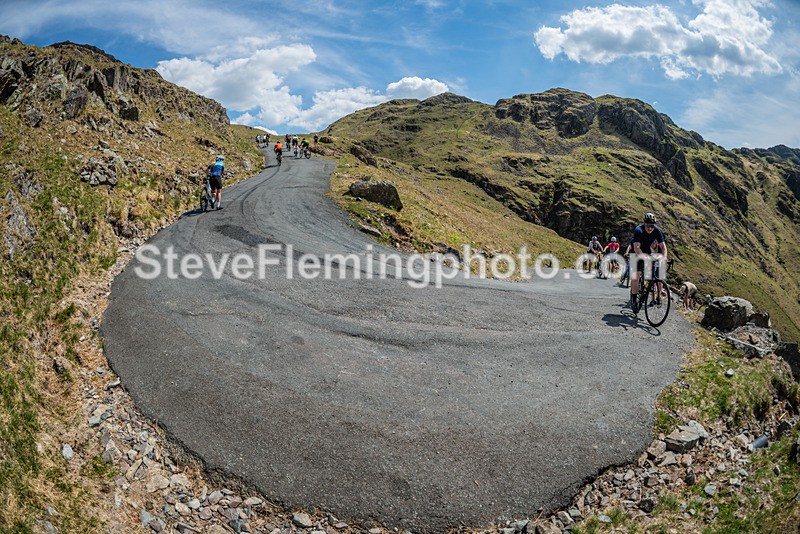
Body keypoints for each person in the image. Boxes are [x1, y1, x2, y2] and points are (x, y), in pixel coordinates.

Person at [630, 212, 668, 309]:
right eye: (648, 225)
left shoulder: (656, 230)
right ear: (644, 223)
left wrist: (664, 257)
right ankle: (634, 299)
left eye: (652, 226)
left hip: (647, 252)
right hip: (636, 252)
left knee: (656, 274)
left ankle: (653, 294)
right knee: (636, 276)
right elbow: (637, 248)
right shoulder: (639, 230)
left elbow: (663, 247)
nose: (650, 228)